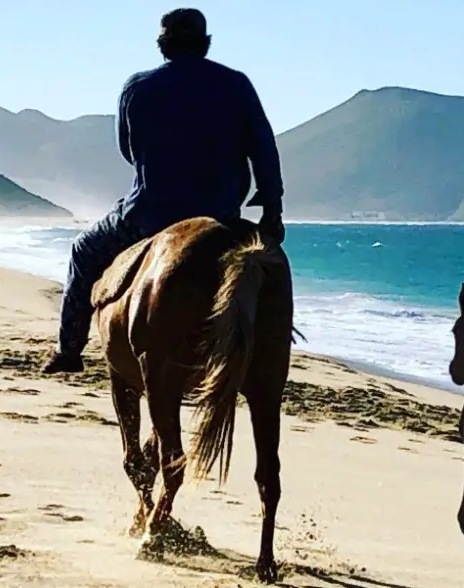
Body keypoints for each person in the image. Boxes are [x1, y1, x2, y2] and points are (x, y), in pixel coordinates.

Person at [42, 7, 285, 374]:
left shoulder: (138, 86)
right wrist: (272, 209)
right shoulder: (237, 85)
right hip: (221, 216)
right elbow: (264, 148)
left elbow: (128, 150)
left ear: (162, 45)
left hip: (149, 215)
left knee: (83, 251)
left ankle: (69, 351)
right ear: (206, 43)